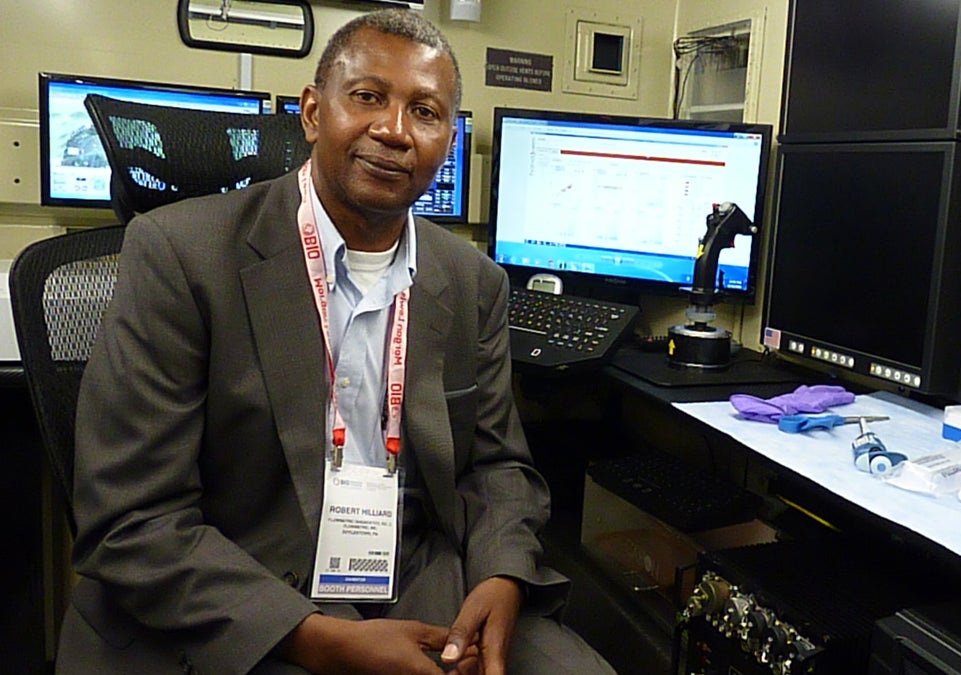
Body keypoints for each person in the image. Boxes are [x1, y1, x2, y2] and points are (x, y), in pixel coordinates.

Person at [58, 9, 614, 674]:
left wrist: (501, 576)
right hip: (241, 590)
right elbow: (132, 517)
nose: (395, 130)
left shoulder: (471, 282)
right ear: (314, 112)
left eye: (426, 111)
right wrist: (325, 640)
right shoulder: (180, 254)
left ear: (447, 141)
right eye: (368, 97)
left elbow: (498, 469)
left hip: (422, 584)